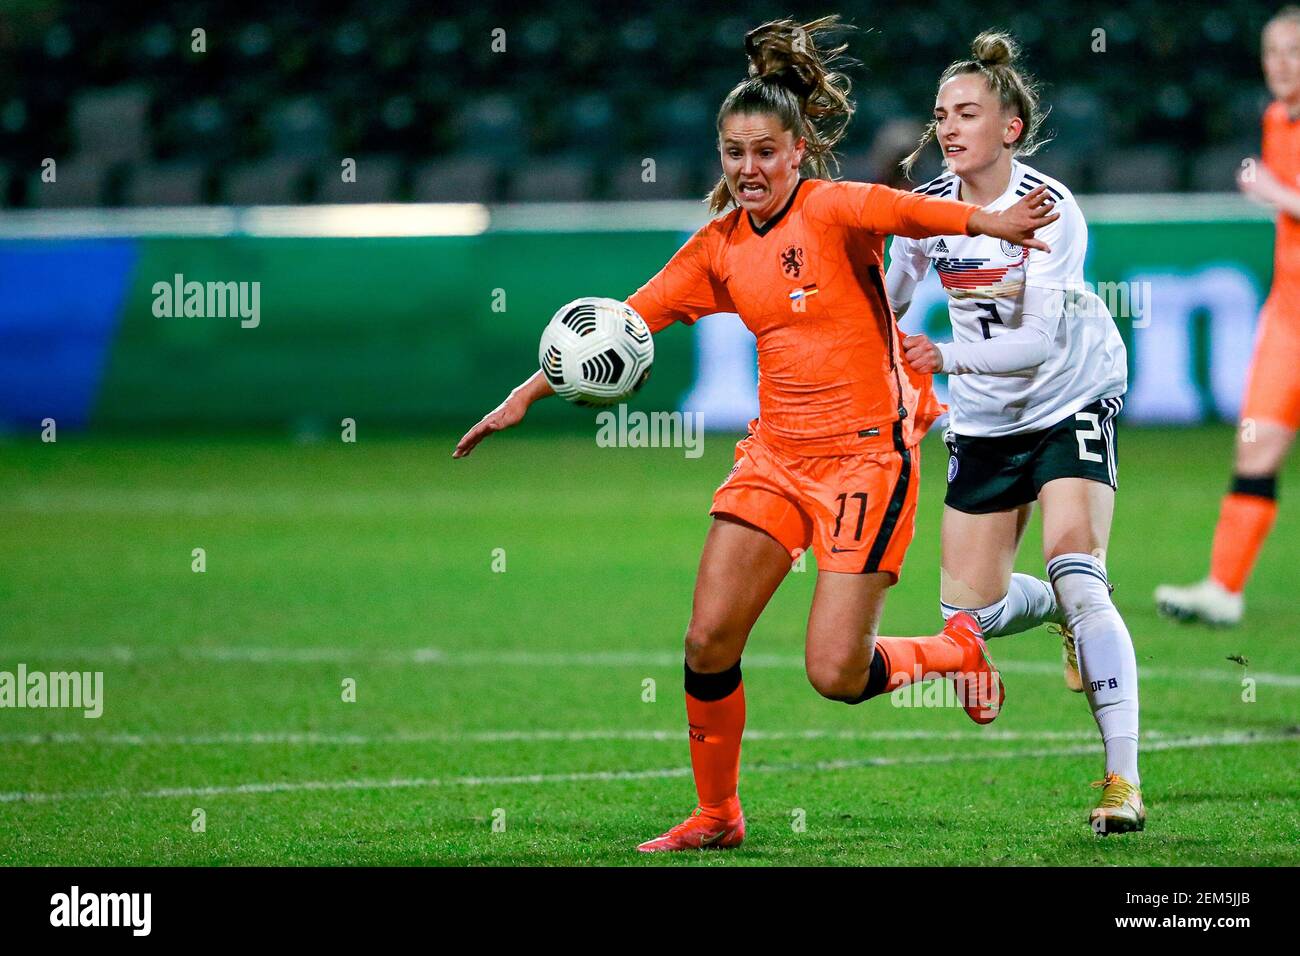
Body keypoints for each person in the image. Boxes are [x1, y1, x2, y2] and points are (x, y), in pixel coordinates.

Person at [454, 16, 1057, 852]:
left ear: (797, 150)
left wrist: (993, 226)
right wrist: (530, 390)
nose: (748, 169)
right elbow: (628, 321)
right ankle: (718, 814)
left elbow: (904, 210)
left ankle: (957, 648)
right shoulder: (718, 250)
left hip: (865, 461)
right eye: (734, 154)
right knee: (707, 638)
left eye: (765, 152)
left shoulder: (834, 210)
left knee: (835, 675)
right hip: (775, 457)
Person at [887, 32, 1143, 833]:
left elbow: (1038, 343)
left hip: (1070, 394)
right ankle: (1067, 614)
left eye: (968, 112)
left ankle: (1122, 781)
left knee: (1075, 563)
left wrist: (943, 356)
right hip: (988, 420)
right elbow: (884, 307)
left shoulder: (1051, 208)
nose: (950, 128)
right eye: (941, 115)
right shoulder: (928, 212)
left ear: (1010, 125)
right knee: (974, 615)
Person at [1155, 6, 1300, 627]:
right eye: (1273, 52)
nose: (1282, 64)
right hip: (1289, 315)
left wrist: (1278, 195)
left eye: (1294, 51)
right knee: (1256, 446)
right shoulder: (1277, 117)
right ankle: (1223, 587)